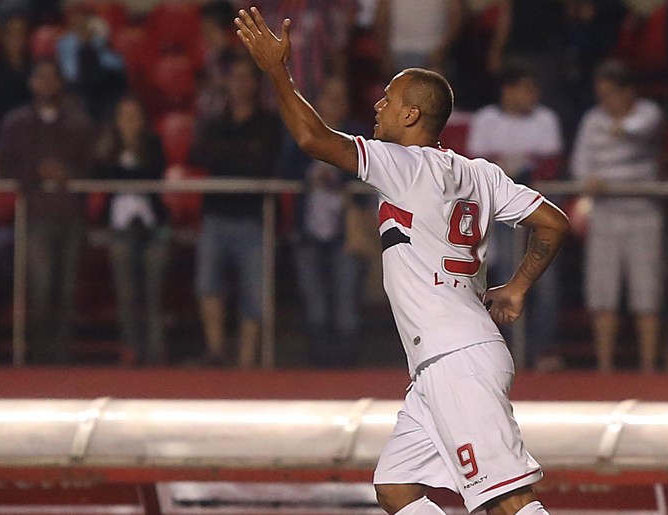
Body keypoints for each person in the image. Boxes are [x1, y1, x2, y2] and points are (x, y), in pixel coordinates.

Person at [234, 7, 569, 515]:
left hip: (456, 358)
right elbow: (553, 221)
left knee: (510, 502)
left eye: (387, 99)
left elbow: (312, 139)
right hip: (443, 358)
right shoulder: (480, 172)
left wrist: (277, 72)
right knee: (396, 488)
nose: (378, 105)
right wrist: (518, 286)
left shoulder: (403, 164)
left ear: (411, 115)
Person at [0, 59, 95, 364]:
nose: (47, 83)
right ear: (33, 83)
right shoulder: (16, 122)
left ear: (60, 82)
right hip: (35, 216)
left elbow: (91, 164)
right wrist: (36, 173)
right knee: (40, 288)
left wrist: (68, 173)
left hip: (70, 215)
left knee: (66, 289)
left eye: (53, 77)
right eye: (41, 78)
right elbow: (4, 163)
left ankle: (62, 355)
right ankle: (39, 356)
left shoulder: (79, 123)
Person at [467, 61, 564, 371]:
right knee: (505, 281)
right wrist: (519, 166)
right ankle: (507, 351)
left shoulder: (545, 118)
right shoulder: (486, 119)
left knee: (544, 285)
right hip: (498, 219)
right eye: (526, 89)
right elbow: (475, 164)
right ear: (507, 91)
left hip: (538, 218)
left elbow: (548, 165)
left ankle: (541, 350)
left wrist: (511, 167)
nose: (532, 95)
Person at [189, 55, 283, 368]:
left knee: (254, 292)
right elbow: (199, 154)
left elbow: (264, 162)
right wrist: (240, 154)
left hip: (253, 217)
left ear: (256, 84)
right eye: (236, 77)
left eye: (246, 77)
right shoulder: (216, 121)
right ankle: (216, 352)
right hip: (216, 214)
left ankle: (247, 361)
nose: (241, 84)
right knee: (208, 284)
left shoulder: (268, 123)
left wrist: (228, 156)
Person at [570, 60, 664, 373]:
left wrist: (619, 129)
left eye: (611, 93)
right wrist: (589, 179)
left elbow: (639, 129)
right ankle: (605, 367)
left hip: (643, 214)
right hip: (605, 213)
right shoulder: (591, 120)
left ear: (628, 92)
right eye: (601, 95)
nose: (605, 101)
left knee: (646, 292)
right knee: (603, 292)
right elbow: (580, 163)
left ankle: (649, 367)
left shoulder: (648, 113)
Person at [280, 75, 371, 367]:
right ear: (317, 103)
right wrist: (309, 174)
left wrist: (340, 177)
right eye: (330, 98)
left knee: (345, 302)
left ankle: (347, 366)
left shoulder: (358, 137)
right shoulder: (301, 134)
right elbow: (282, 172)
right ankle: (318, 365)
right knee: (315, 303)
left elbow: (369, 174)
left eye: (340, 99)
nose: (335, 105)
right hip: (308, 232)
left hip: (345, 232)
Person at [95, 95, 170, 367]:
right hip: (120, 230)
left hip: (152, 228)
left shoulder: (152, 145)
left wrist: (129, 170)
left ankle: (156, 352)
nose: (129, 121)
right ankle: (131, 350)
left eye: (134, 115)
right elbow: (103, 176)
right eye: (123, 115)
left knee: (153, 294)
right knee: (126, 294)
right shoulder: (108, 148)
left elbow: (154, 175)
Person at [0, 13, 32, 137]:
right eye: (12, 32)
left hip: (33, 126)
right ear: (2, 36)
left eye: (21, 32)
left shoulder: (33, 64)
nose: (17, 37)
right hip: (4, 126)